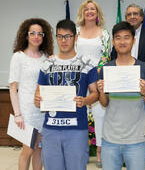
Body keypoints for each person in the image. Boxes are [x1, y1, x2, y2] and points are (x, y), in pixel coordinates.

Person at [34, 19, 99, 170]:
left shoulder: (87, 63)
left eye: (68, 36)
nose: (63, 40)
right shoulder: (46, 65)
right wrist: (38, 99)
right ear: (56, 38)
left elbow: (95, 93)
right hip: (51, 128)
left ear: (75, 38)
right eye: (60, 36)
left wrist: (85, 100)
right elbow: (38, 95)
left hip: (77, 129)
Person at [97, 21, 145, 170]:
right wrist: (101, 91)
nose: (122, 42)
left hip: (136, 140)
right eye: (118, 38)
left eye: (126, 37)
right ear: (114, 42)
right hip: (110, 138)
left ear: (133, 41)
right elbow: (104, 103)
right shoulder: (107, 69)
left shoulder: (144, 68)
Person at [111, 3, 145, 168]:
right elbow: (113, 57)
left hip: (141, 81)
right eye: (129, 14)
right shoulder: (118, 36)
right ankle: (124, 156)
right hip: (120, 83)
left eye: (136, 14)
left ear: (142, 16)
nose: (132, 16)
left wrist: (137, 72)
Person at [9, 18, 53, 170]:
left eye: (39, 34)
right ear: (26, 36)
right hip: (26, 110)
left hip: (42, 109)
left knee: (39, 149)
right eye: (32, 33)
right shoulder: (18, 56)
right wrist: (17, 114)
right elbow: (13, 87)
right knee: (28, 149)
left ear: (43, 36)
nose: (36, 36)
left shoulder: (47, 57)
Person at [76, 0, 111, 167]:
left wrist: (95, 73)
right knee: (79, 112)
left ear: (97, 13)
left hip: (97, 77)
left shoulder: (104, 33)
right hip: (78, 79)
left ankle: (99, 151)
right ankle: (80, 150)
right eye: (86, 9)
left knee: (99, 115)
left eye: (93, 9)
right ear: (82, 12)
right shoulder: (75, 32)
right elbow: (71, 53)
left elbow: (106, 56)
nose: (89, 11)